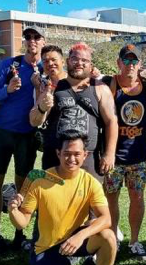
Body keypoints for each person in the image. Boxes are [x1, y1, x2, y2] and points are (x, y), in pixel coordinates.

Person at [8, 132, 126, 265]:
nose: (72, 158)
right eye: (67, 153)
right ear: (58, 153)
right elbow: (22, 222)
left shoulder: (90, 182)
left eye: (77, 154)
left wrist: (80, 236)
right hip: (46, 249)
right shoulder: (40, 180)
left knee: (108, 236)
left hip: (75, 241)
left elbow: (106, 218)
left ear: (85, 155)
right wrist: (12, 210)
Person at [0, 26, 45, 254]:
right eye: (28, 37)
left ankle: (19, 235)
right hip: (2, 131)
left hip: (27, 135)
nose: (32, 40)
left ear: (42, 41)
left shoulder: (45, 68)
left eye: (36, 37)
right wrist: (7, 90)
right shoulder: (10, 65)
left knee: (22, 186)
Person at [30, 42, 117, 179]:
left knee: (89, 199)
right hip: (56, 157)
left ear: (91, 65)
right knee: (55, 199)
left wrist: (109, 153)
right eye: (75, 59)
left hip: (88, 158)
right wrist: (42, 108)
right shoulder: (52, 88)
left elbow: (111, 121)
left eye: (84, 60)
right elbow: (34, 121)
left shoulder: (101, 89)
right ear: (68, 62)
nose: (79, 63)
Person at [101, 44, 146, 260]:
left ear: (140, 64)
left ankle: (134, 241)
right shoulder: (108, 84)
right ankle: (113, 236)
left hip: (138, 156)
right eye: (126, 60)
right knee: (110, 199)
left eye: (135, 61)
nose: (130, 65)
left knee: (137, 197)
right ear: (119, 63)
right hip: (113, 156)